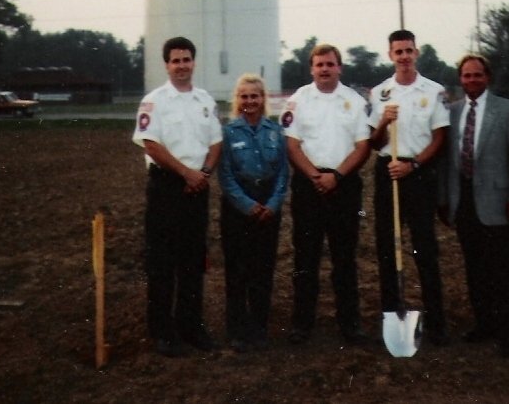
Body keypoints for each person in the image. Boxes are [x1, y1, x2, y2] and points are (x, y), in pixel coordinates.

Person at [132, 36, 222, 357]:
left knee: (193, 262)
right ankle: (162, 331)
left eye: (186, 60)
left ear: (193, 62)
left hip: (198, 187)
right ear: (167, 64)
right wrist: (187, 173)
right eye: (176, 61)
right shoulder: (154, 101)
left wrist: (205, 174)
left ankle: (191, 326)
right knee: (162, 262)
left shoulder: (205, 100)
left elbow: (215, 142)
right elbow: (150, 144)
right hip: (167, 188)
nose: (182, 66)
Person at [439, 54, 509, 357]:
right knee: (475, 268)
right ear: (460, 79)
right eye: (466, 76)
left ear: (487, 77)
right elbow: (447, 163)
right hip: (465, 202)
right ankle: (485, 324)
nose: (471, 80)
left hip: (500, 203)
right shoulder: (452, 112)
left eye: (477, 75)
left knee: (505, 271)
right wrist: (446, 200)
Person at [281, 44, 371, 345]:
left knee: (344, 260)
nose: (324, 69)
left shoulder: (354, 101)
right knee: (305, 259)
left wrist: (338, 176)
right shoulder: (298, 100)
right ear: (311, 68)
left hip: (344, 187)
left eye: (330, 64)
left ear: (339, 68)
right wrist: (316, 176)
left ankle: (350, 324)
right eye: (319, 64)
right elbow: (292, 145)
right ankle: (302, 325)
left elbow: (362, 146)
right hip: (309, 186)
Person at [368, 29, 449, 345]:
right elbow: (375, 144)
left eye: (408, 51)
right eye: (398, 51)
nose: (403, 57)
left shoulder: (434, 91)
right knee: (388, 248)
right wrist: (384, 123)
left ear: (417, 53)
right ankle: (392, 315)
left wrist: (413, 164)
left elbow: (440, 137)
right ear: (390, 55)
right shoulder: (379, 93)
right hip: (388, 170)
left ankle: (437, 323)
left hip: (418, 172)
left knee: (424, 248)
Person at [218, 73, 289, 353]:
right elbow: (225, 175)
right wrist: (246, 205)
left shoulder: (275, 131)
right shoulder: (228, 132)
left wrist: (272, 204)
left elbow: (283, 172)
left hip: (268, 206)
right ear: (238, 100)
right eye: (244, 96)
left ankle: (259, 327)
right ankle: (237, 329)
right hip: (238, 206)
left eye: (255, 96)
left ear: (263, 99)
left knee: (263, 270)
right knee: (237, 271)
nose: (250, 101)